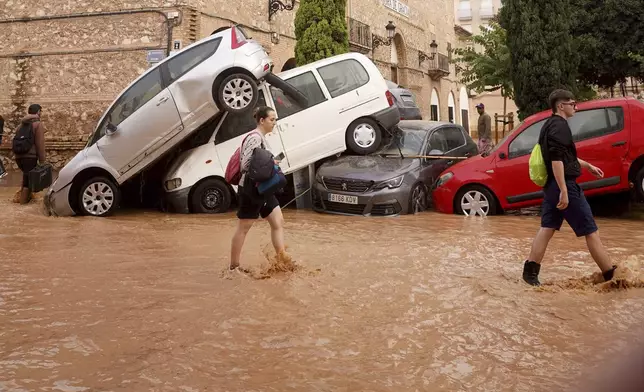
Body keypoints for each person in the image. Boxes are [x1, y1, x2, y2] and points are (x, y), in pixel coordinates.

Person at [522, 89, 616, 286]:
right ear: (560, 106)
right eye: (572, 103)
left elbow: (564, 156)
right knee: (590, 230)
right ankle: (611, 276)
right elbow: (556, 160)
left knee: (547, 228)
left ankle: (530, 274)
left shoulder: (548, 125)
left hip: (551, 186)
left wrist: (588, 165)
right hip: (563, 186)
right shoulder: (560, 126)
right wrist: (564, 190)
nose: (576, 107)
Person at [230, 106, 287, 271]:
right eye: (272, 119)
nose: (275, 123)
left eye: (275, 119)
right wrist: (271, 163)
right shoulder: (254, 138)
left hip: (263, 188)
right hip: (251, 189)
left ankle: (282, 260)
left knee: (278, 221)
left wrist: (271, 163)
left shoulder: (262, 138)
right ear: (262, 120)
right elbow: (246, 165)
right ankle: (234, 267)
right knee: (244, 227)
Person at [13, 104, 46, 204]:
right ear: (38, 112)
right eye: (41, 111)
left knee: (26, 177)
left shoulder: (20, 125)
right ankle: (22, 207)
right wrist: (42, 160)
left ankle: (24, 199)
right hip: (30, 157)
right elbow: (40, 143)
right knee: (27, 182)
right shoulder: (37, 124)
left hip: (19, 157)